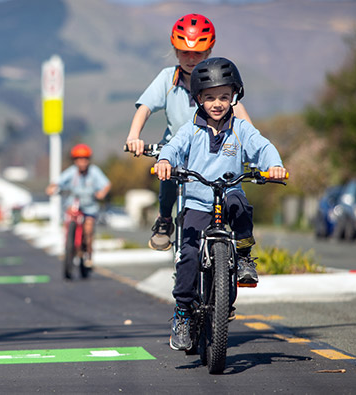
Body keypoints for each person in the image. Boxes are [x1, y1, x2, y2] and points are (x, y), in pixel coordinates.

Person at [153, 57, 287, 350]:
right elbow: (174, 148)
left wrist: (273, 165)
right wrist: (165, 160)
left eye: (224, 97)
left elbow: (263, 147)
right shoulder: (191, 130)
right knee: (187, 256)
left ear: (234, 97)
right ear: (198, 98)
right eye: (210, 97)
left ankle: (244, 256)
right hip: (197, 202)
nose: (218, 103)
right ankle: (183, 312)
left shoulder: (240, 129)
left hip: (228, 193)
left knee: (239, 204)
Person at [125, 13, 253, 251]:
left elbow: (238, 107)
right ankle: (165, 219)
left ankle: (233, 253)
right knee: (168, 174)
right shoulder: (168, 78)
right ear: (175, 50)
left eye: (198, 53)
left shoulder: (215, 77)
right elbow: (145, 108)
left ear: (209, 51)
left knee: (229, 190)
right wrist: (134, 136)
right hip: (177, 150)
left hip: (213, 151)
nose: (191, 58)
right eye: (185, 52)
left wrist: (252, 140)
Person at [46, 144, 111, 269]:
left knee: (88, 229)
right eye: (79, 159)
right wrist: (52, 188)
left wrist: (102, 193)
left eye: (85, 159)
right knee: (68, 219)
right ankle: (70, 245)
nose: (82, 162)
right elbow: (58, 181)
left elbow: (106, 184)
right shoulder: (71, 172)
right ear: (74, 161)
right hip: (74, 204)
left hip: (90, 206)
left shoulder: (94, 172)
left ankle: (89, 255)